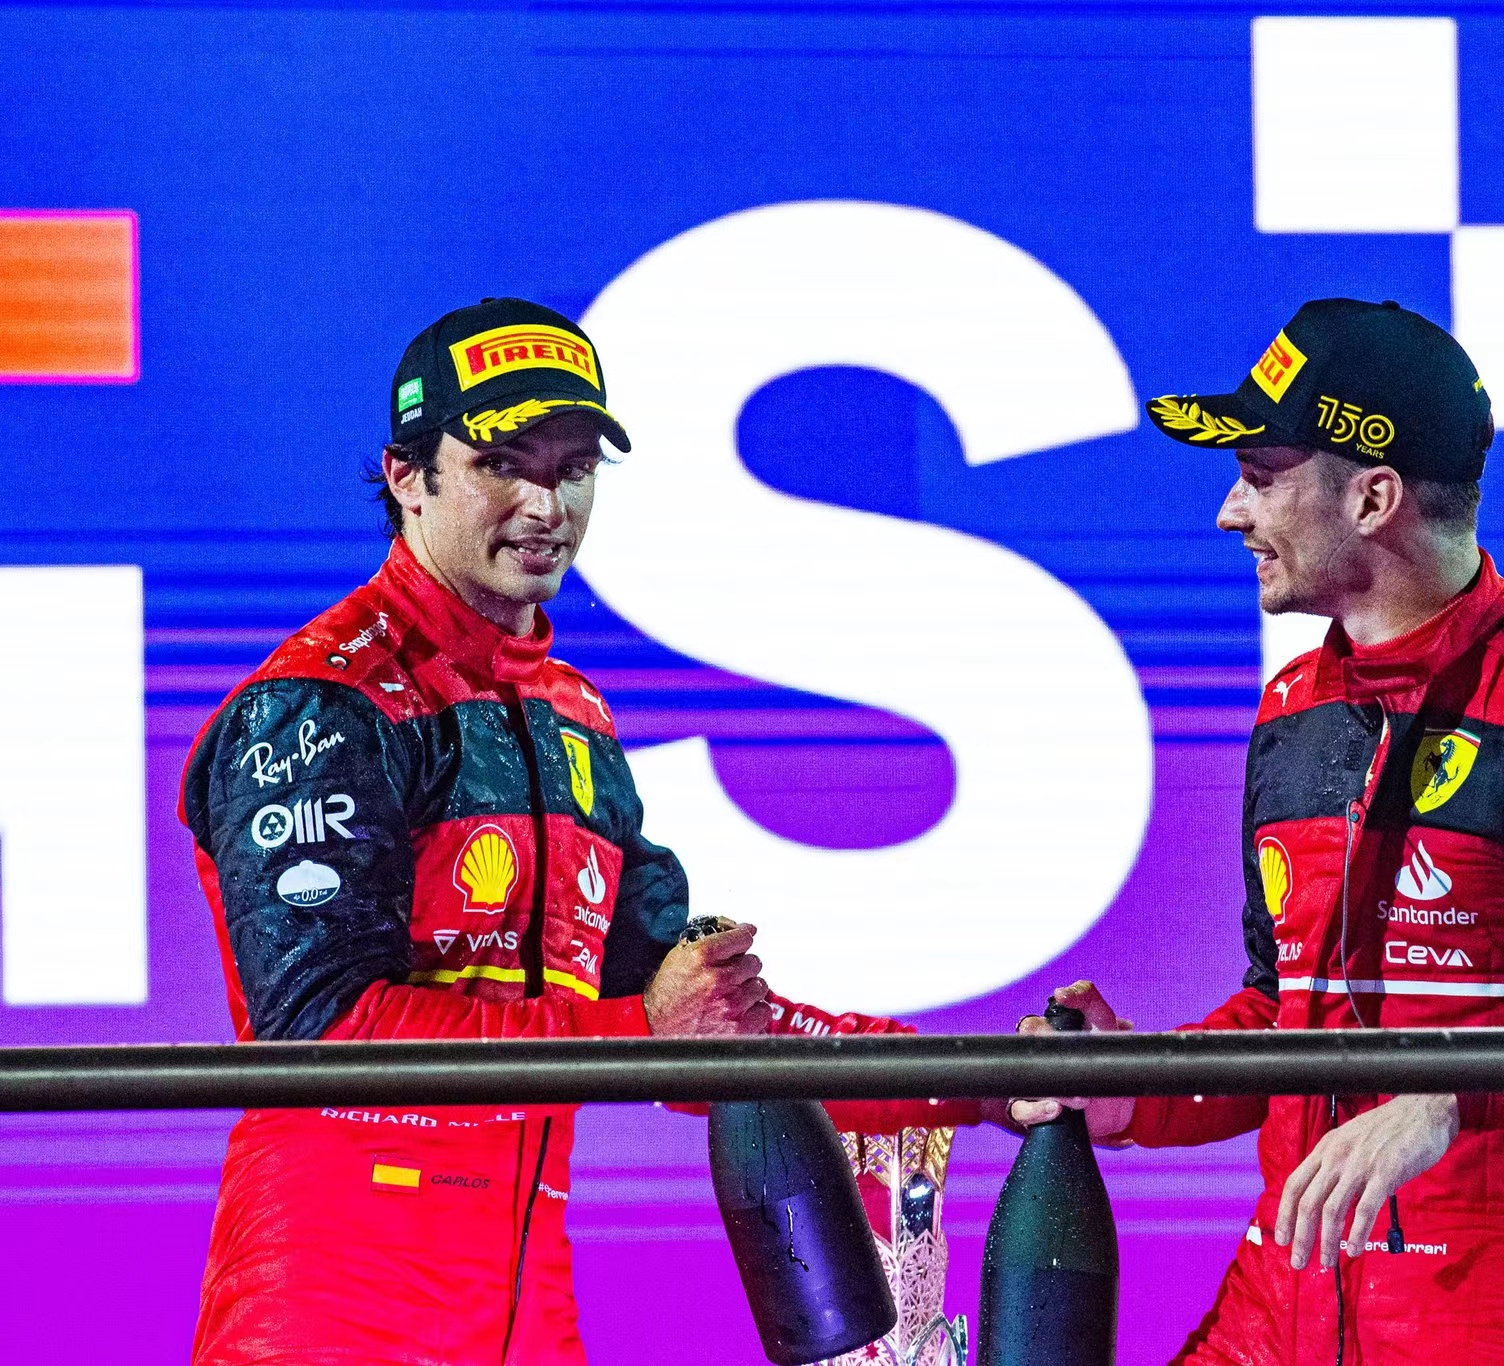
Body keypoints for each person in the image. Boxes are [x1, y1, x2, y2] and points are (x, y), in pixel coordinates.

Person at [179, 298, 979, 1365]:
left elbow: (699, 1022)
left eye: (573, 469)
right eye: (501, 464)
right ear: (407, 476)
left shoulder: (572, 714)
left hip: (526, 1306)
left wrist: (975, 1077)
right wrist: (644, 1029)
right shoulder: (320, 704)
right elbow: (323, 1036)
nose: (545, 504)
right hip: (334, 1307)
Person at [1010, 299, 1504, 1364]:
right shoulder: (1292, 707)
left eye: (1261, 474)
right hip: (1274, 1304)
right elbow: (1285, 1017)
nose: (1230, 512)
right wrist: (1135, 1090)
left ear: (1372, 496)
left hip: (1482, 1318)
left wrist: (1452, 1094)